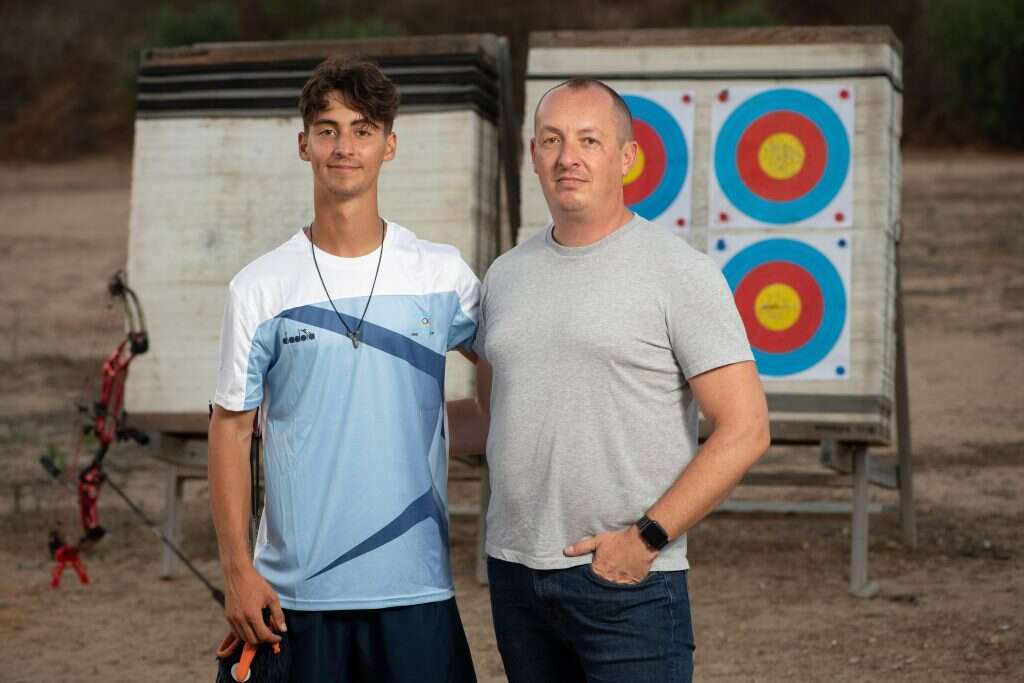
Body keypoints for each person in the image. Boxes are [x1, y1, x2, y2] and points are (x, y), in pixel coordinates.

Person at [455, 78, 770, 682]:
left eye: (588, 140)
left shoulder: (678, 272)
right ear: (534, 154)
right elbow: (498, 416)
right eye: (552, 140)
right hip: (516, 575)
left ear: (625, 156)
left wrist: (646, 538)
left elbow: (747, 429)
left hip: (629, 584)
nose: (567, 157)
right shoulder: (505, 275)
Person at [208, 58, 478, 682]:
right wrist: (238, 573)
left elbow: (512, 369)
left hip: (416, 588)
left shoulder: (442, 276)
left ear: (390, 144)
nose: (344, 147)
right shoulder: (260, 287)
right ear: (303, 145)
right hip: (295, 596)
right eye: (327, 130)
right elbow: (229, 432)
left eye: (362, 129)